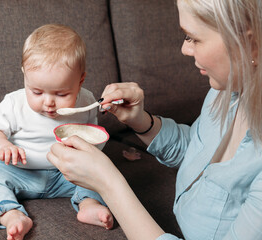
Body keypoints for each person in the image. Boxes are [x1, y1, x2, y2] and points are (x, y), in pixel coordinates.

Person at [47, 0, 262, 239]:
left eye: (194, 38)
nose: (185, 49)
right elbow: (198, 150)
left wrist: (109, 184)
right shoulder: (227, 89)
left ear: (250, 45)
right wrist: (141, 121)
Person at [0, 24, 113, 240]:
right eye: (36, 91)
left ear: (80, 81)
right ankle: (12, 215)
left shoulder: (86, 101)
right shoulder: (14, 103)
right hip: (20, 171)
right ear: (25, 77)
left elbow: (91, 137)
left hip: (65, 174)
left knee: (103, 176)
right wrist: (3, 146)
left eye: (61, 93)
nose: (48, 103)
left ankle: (88, 204)